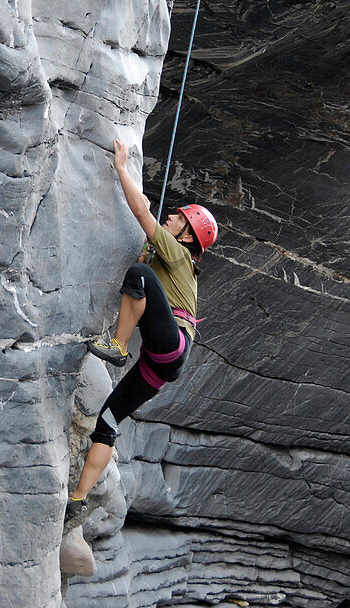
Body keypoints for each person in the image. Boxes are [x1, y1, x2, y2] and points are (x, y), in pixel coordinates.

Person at [66, 139, 217, 524]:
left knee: (141, 276)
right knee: (109, 421)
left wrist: (120, 167)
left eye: (179, 218)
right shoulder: (175, 255)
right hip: (162, 361)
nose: (172, 216)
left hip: (171, 345)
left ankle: (118, 345)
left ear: (187, 236)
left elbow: (138, 212)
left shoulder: (179, 252)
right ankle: (78, 500)